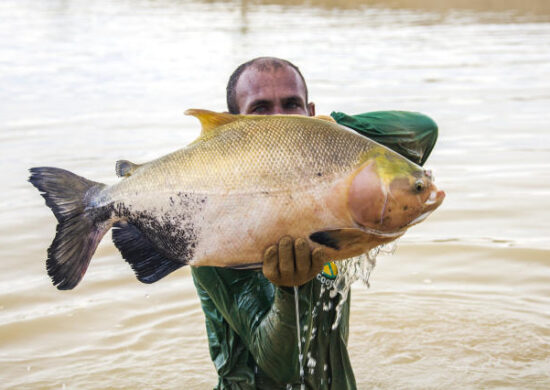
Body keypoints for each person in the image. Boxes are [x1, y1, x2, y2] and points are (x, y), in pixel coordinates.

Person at [191, 57, 438, 389]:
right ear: (235, 128)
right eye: (260, 110)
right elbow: (280, 368)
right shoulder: (213, 230)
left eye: (291, 105)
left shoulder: (334, 196)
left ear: (310, 112)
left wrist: (328, 130)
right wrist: (288, 290)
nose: (280, 121)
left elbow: (422, 130)